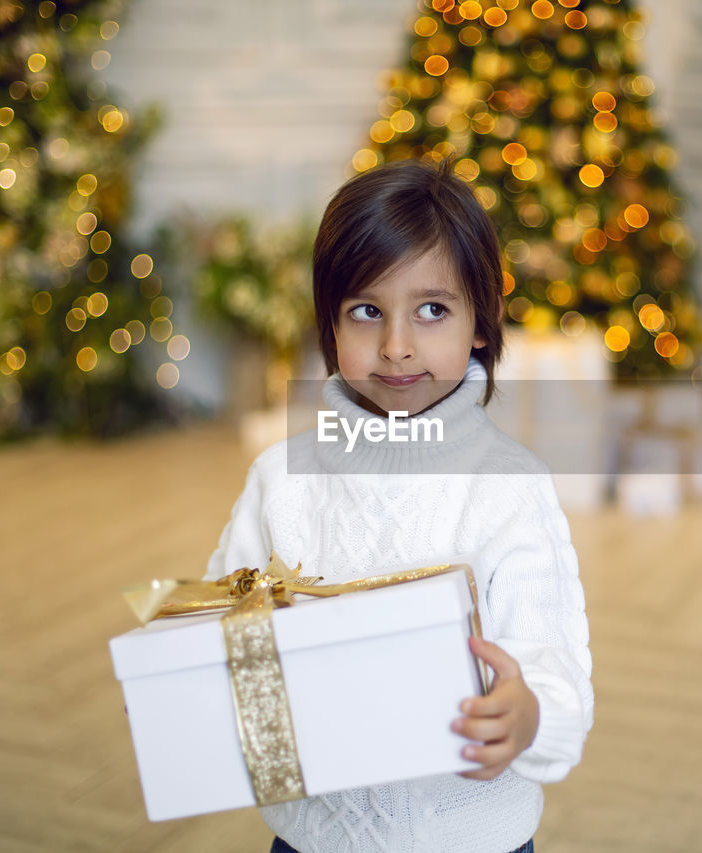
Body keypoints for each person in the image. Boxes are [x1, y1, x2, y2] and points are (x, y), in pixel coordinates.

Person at [206, 158, 593, 853]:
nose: (397, 346)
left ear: (483, 319)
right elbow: (222, 629)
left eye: (432, 309)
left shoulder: (511, 489)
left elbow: (552, 666)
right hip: (312, 839)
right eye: (366, 311)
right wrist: (184, 687)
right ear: (330, 323)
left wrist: (528, 715)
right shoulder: (280, 481)